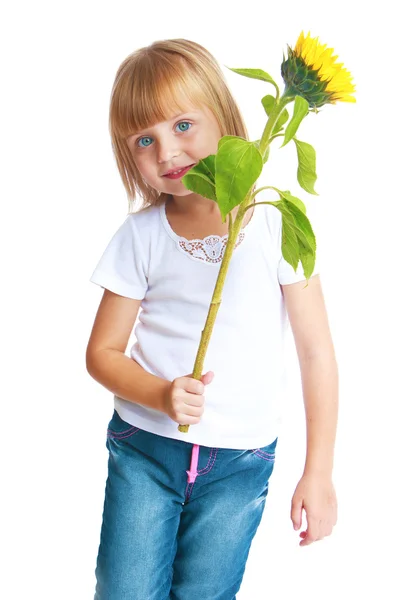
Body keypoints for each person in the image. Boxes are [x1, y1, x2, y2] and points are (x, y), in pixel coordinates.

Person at [86, 38, 338, 600]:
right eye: (144, 140)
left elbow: (316, 352)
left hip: (242, 460)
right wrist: (161, 394)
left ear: (224, 120)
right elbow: (101, 353)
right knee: (123, 591)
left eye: (182, 125)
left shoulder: (276, 222)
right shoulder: (142, 237)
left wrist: (317, 471)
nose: (167, 153)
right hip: (146, 447)